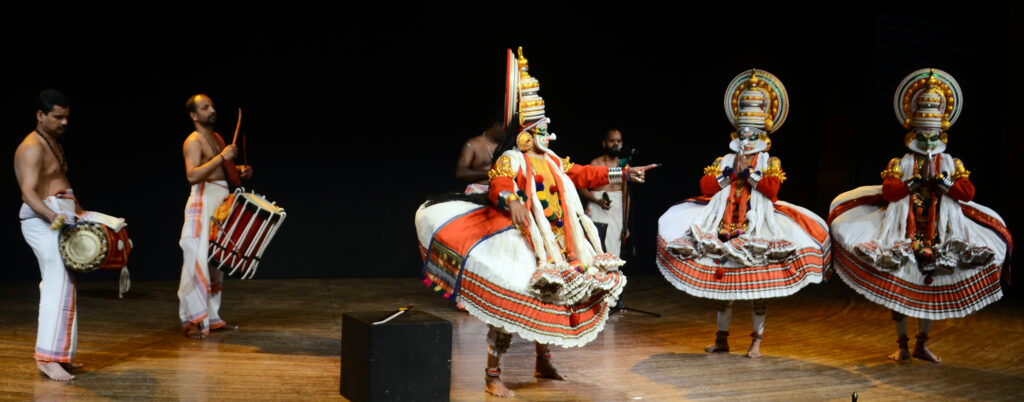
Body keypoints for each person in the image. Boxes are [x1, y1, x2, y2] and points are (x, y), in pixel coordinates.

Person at [415, 47, 656, 397]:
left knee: (553, 303)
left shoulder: (555, 160)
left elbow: (585, 174)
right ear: (525, 133)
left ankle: (543, 362)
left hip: (557, 243)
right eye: (541, 128)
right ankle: (492, 374)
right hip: (523, 241)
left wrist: (624, 172)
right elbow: (499, 183)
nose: (548, 132)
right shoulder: (513, 158)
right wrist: (511, 200)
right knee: (509, 308)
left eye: (547, 126)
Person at [829, 68, 1011, 363]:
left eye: (933, 135)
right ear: (913, 132)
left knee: (929, 292)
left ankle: (921, 344)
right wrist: (915, 181)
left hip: (940, 233)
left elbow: (967, 192)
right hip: (903, 231)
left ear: (941, 132)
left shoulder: (951, 164)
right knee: (900, 284)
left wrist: (941, 181)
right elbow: (890, 192)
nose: (928, 141)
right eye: (923, 135)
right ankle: (902, 344)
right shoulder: (901, 163)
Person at [655, 70, 830, 358]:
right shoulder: (724, 159)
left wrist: (748, 174)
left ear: (762, 133)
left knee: (757, 289)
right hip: (722, 223)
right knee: (723, 285)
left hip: (757, 227)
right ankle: (721, 339)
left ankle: (756, 341)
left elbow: (772, 190)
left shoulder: (768, 160)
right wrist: (730, 174)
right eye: (743, 132)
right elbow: (706, 185)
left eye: (753, 133)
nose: (747, 137)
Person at [14, 89, 83, 381]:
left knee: (64, 284)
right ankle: (47, 358)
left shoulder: (53, 143)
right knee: (58, 282)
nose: (64, 122)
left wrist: (87, 217)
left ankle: (60, 354)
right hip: (42, 221)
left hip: (58, 217)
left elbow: (62, 184)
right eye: (58, 117)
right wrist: (52, 215)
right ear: (41, 116)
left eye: (67, 116)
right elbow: (28, 191)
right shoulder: (31, 146)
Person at [178, 94, 253, 339]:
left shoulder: (218, 138)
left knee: (216, 262)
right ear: (193, 115)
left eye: (211, 105)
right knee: (196, 259)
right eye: (205, 107)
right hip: (203, 201)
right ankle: (190, 320)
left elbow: (220, 170)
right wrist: (223, 158)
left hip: (221, 200)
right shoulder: (193, 141)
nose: (212, 110)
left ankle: (212, 317)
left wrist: (238, 169)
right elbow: (192, 176)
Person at [580, 129, 629, 256]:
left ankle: (611, 276)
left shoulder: (624, 166)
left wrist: (625, 224)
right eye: (612, 141)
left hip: (616, 211)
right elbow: (581, 186)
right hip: (597, 209)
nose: (615, 144)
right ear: (604, 143)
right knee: (595, 250)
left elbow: (625, 196)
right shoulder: (596, 164)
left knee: (613, 252)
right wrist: (597, 201)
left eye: (618, 141)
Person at [455, 120, 504, 194]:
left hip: (500, 189)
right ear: (496, 125)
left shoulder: (506, 144)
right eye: (505, 129)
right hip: (477, 191)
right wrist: (490, 173)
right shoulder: (473, 144)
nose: (507, 132)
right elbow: (460, 172)